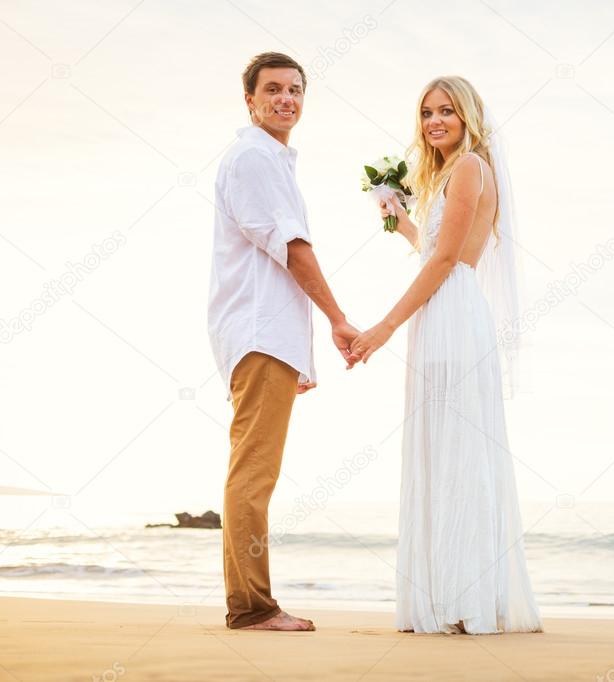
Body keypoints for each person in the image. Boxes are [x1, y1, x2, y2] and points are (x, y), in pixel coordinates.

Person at [351, 76, 543, 634]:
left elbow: (444, 264)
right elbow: (433, 251)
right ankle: (447, 596)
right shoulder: (457, 173)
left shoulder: (468, 168)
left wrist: (385, 326)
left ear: (468, 116)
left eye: (447, 111)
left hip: (451, 314)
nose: (435, 121)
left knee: (456, 451)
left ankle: (462, 601)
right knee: (443, 448)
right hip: (445, 311)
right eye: (427, 112)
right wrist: (398, 216)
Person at [207, 52, 359, 631]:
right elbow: (292, 248)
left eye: (295, 90)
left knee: (253, 469)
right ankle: (252, 608)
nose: (286, 99)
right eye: (273, 90)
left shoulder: (269, 160)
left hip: (263, 331)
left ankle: (249, 604)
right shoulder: (254, 157)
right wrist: (338, 319)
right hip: (260, 331)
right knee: (254, 472)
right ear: (249, 99)